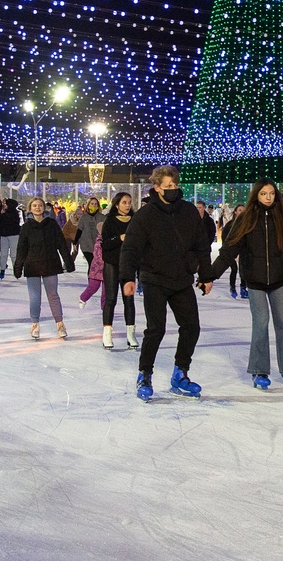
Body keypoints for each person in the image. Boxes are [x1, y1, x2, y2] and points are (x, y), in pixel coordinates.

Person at [120, 166, 215, 401]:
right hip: (154, 279)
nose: (172, 190)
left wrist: (206, 276)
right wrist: (128, 278)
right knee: (156, 329)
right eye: (167, 186)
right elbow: (131, 249)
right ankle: (145, 374)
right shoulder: (145, 215)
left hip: (182, 278)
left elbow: (202, 245)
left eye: (175, 185)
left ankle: (180, 373)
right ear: (156, 188)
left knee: (191, 327)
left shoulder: (189, 211)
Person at [212, 181, 283, 389]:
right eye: (264, 193)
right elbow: (229, 249)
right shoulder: (247, 218)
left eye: (272, 193)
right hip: (255, 281)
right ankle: (259, 370)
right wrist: (211, 274)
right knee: (261, 322)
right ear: (256, 195)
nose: (268, 197)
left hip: (278, 279)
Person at [14, 196, 74, 341]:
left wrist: (68, 261)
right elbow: (22, 248)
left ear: (44, 208)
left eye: (40, 205)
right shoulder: (26, 227)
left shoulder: (52, 224)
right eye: (34, 205)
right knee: (35, 297)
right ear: (30, 208)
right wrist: (18, 266)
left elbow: (61, 243)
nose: (37, 208)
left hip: (50, 263)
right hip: (32, 265)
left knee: (53, 295)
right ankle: (35, 325)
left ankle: (60, 324)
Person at [99, 192, 139, 350]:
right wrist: (120, 238)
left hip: (128, 264)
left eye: (129, 202)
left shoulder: (135, 221)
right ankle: (107, 333)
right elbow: (105, 245)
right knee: (111, 299)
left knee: (129, 299)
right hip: (112, 263)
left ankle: (131, 334)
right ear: (117, 204)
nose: (127, 205)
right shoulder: (109, 221)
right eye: (124, 202)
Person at [221, 204, 247, 298]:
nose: (242, 212)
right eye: (240, 210)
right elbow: (225, 239)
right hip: (231, 252)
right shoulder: (229, 225)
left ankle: (243, 288)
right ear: (235, 212)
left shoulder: (247, 225)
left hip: (243, 252)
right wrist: (231, 252)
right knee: (234, 269)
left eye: (244, 210)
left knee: (243, 269)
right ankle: (232, 288)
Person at [0, 198, 22, 279]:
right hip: (3, 235)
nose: (3, 205)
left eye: (5, 204)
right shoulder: (1, 213)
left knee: (14, 254)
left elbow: (14, 222)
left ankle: (16, 270)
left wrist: (2, 215)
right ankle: (2, 269)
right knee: (3, 254)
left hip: (14, 235)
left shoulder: (15, 214)